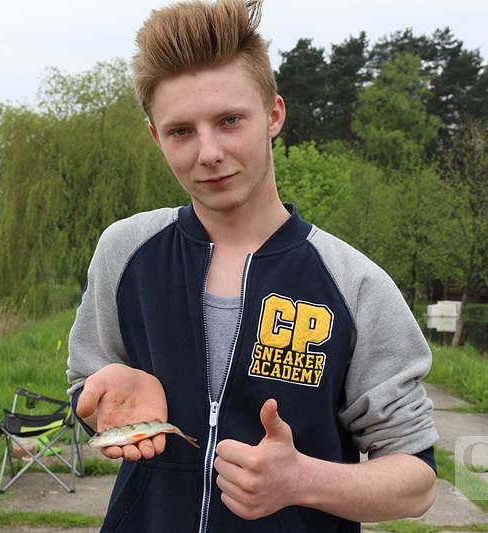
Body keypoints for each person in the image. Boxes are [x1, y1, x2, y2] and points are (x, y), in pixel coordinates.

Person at [66, 1, 438, 531]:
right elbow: (86, 392)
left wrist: (305, 481)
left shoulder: (354, 284)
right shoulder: (125, 253)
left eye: (229, 121)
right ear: (156, 138)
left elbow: (416, 480)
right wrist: (108, 396)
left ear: (274, 115)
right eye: (181, 131)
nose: (209, 152)